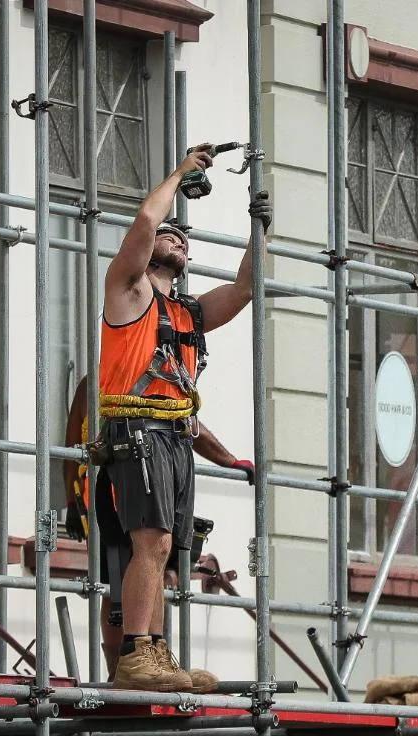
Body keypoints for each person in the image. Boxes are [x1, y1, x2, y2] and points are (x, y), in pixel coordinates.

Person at [93, 143, 271, 691]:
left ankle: (157, 653)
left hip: (171, 437)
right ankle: (136, 656)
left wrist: (259, 230)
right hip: (138, 435)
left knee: (167, 553)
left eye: (183, 236)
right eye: (169, 234)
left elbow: (244, 289)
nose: (177, 235)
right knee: (153, 544)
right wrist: (179, 172)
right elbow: (147, 217)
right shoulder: (130, 291)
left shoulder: (187, 314)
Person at [62, 375, 255, 687]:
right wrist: (71, 501)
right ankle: (122, 669)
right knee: (117, 582)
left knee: (154, 570)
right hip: (112, 491)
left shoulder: (160, 372)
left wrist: (230, 460)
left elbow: (184, 422)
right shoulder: (98, 381)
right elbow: (73, 442)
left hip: (141, 484)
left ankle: (153, 659)